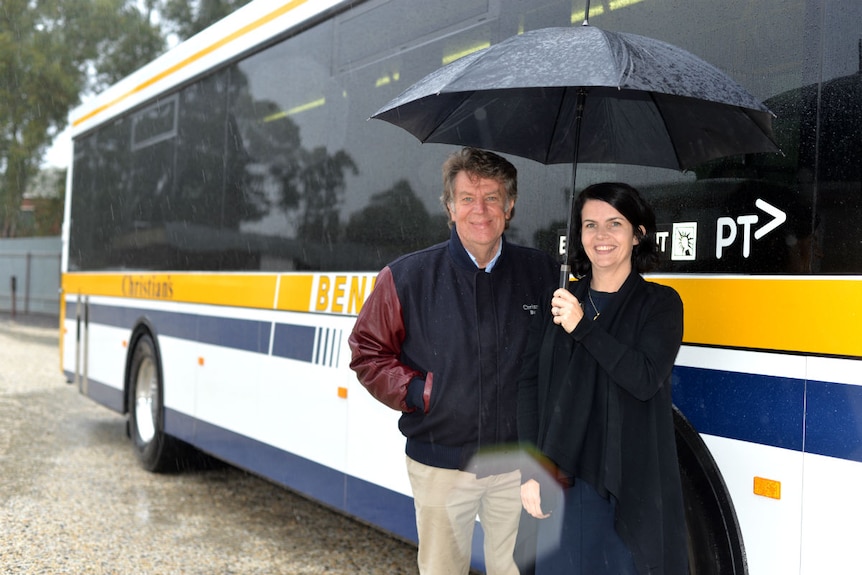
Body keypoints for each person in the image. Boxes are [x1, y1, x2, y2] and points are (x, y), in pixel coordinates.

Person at [348, 147, 557, 575]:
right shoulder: (407, 277)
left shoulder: (543, 274)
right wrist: (423, 393)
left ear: (510, 205)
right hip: (441, 463)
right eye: (467, 198)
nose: (480, 210)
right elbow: (368, 352)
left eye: (492, 197)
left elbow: (558, 360)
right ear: (449, 207)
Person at [517, 182, 689, 575]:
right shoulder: (558, 302)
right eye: (590, 225)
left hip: (627, 489)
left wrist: (583, 328)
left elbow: (644, 378)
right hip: (561, 481)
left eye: (615, 223)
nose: (601, 236)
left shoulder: (660, 304)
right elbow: (529, 388)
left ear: (638, 233)